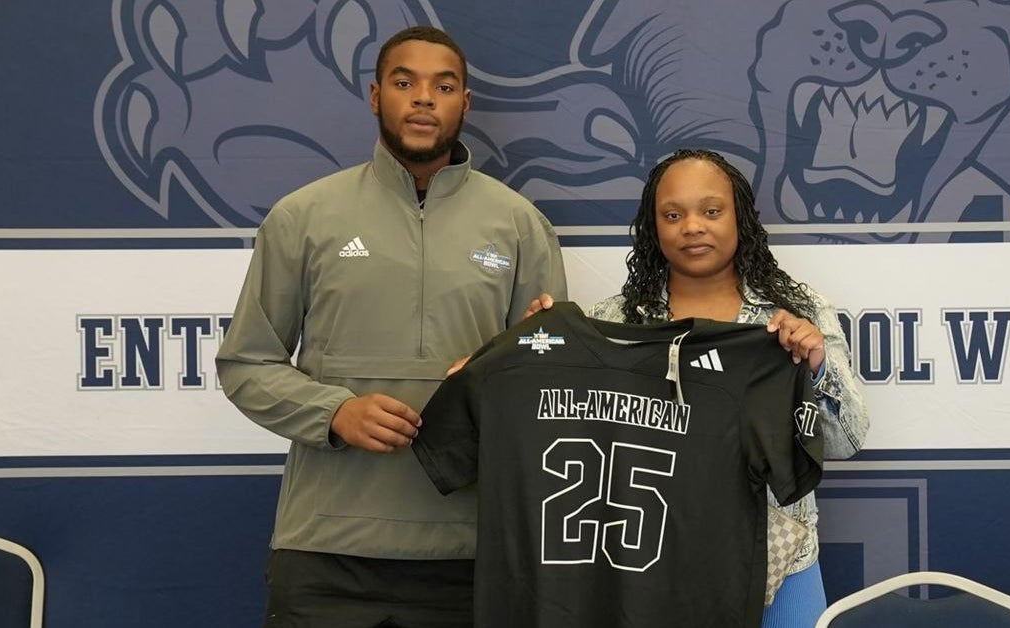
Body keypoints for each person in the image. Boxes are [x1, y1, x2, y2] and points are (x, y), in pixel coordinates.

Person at [215, 25, 568, 628]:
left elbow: (552, 381)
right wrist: (333, 413)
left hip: (472, 551)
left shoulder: (519, 224)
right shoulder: (303, 217)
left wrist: (500, 376)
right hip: (326, 551)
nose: (424, 98)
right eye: (405, 83)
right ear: (377, 96)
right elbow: (246, 364)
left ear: (465, 104)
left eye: (444, 85)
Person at [585, 148, 869, 627]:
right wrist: (540, 343)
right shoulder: (612, 322)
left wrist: (817, 367)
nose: (692, 226)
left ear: (741, 218)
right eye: (672, 215)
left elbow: (847, 439)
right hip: (651, 558)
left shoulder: (795, 312)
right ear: (654, 228)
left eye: (711, 211)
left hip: (780, 557)